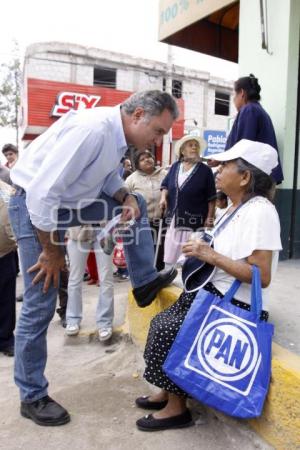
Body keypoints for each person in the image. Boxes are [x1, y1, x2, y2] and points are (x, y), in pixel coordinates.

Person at [8, 90, 178, 426]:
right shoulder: (94, 129)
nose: (158, 140)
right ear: (139, 114)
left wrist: (125, 195)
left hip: (64, 206)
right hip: (32, 209)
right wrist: (52, 253)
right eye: (158, 131)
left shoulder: (115, 136)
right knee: (41, 301)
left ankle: (143, 280)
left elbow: (106, 179)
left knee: (137, 204)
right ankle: (32, 395)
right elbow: (42, 194)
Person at [135, 139, 282, 432]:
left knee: (169, 330)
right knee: (162, 322)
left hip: (232, 301)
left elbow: (261, 275)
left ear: (245, 176)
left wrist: (209, 254)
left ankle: (178, 410)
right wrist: (203, 243)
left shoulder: (261, 211)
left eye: (225, 165)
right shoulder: (236, 207)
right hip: (212, 292)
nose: (217, 169)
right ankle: (167, 392)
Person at [160, 135, 216, 267]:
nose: (194, 147)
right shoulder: (175, 167)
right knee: (170, 255)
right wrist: (163, 198)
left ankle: (187, 283)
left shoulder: (205, 171)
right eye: (190, 145)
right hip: (174, 218)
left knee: (189, 257)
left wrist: (210, 218)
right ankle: (169, 277)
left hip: (194, 220)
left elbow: (211, 198)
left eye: (196, 145)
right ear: (182, 151)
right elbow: (165, 185)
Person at [225, 74, 283, 184]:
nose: (233, 99)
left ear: (241, 93)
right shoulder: (257, 110)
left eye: (234, 95)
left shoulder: (249, 110)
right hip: (261, 177)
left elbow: (243, 148)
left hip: (252, 180)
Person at [65, 225, 114, 342]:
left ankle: (105, 322)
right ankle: (72, 319)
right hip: (77, 229)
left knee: (106, 278)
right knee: (75, 278)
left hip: (105, 227)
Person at [126, 149, 167, 270]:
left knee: (161, 252)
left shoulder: (164, 174)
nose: (146, 160)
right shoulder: (132, 179)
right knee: (145, 252)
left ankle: (159, 278)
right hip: (142, 223)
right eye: (142, 159)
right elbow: (124, 198)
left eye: (148, 157)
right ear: (137, 164)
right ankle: (147, 279)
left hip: (162, 221)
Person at [0, 180, 17, 357]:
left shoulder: (6, 190)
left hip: (5, 252)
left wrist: (15, 241)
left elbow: (12, 217)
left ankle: (5, 339)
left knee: (6, 298)